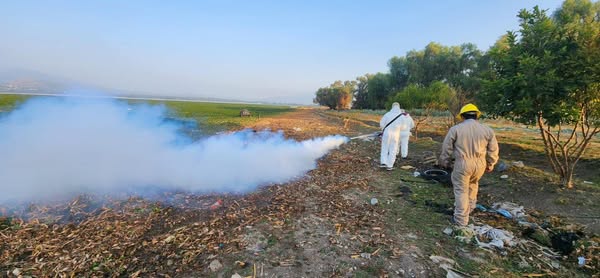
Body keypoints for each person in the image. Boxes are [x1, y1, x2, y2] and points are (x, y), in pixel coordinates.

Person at [438, 103, 499, 226]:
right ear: (477, 115)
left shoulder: (455, 129)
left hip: (463, 163)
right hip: (480, 163)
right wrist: (491, 163)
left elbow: (446, 148)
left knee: (461, 190)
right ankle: (470, 209)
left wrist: (445, 161)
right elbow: (493, 149)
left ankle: (461, 220)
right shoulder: (487, 130)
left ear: (462, 116)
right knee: (473, 185)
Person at [379, 102, 414, 170]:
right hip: (396, 134)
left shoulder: (387, 114)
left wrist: (384, 129)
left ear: (392, 107)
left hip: (387, 133)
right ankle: (390, 165)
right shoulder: (401, 116)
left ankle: (383, 162)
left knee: (385, 148)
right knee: (393, 149)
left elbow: (381, 124)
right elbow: (404, 127)